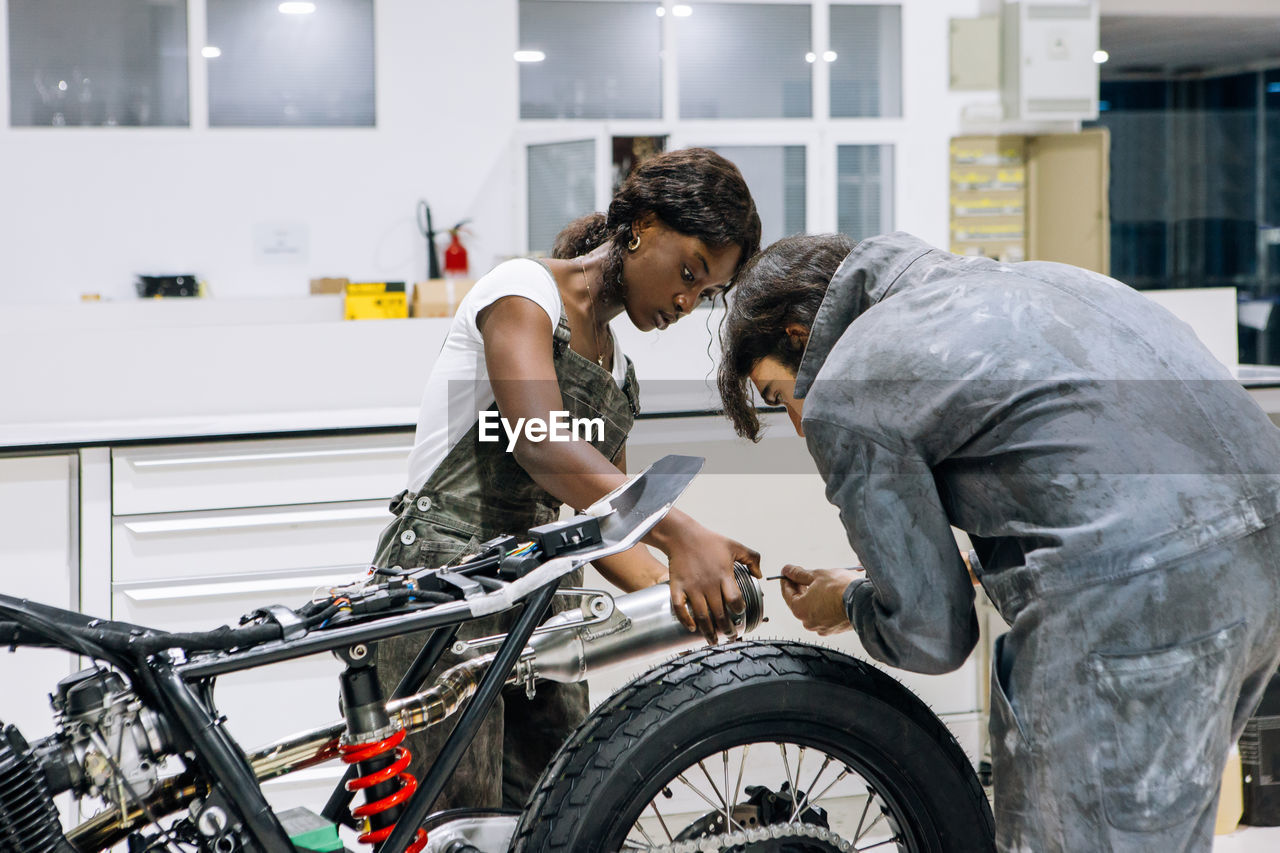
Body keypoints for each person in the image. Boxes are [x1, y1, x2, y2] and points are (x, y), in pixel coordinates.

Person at [716, 231, 1280, 851]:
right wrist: (960, 567)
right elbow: (1083, 466)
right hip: (1262, 562)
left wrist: (849, 603)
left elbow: (934, 635)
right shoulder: (1042, 280)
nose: (798, 423)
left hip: (1134, 597)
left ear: (800, 339)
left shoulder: (845, 386)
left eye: (778, 397)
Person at [371, 148, 763, 812]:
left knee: (559, 810)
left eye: (705, 294)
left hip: (535, 593)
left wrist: (683, 595)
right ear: (639, 223)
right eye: (689, 273)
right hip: (440, 588)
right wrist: (684, 536)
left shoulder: (618, 372)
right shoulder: (523, 294)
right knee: (452, 820)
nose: (684, 301)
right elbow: (541, 445)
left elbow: (602, 524)